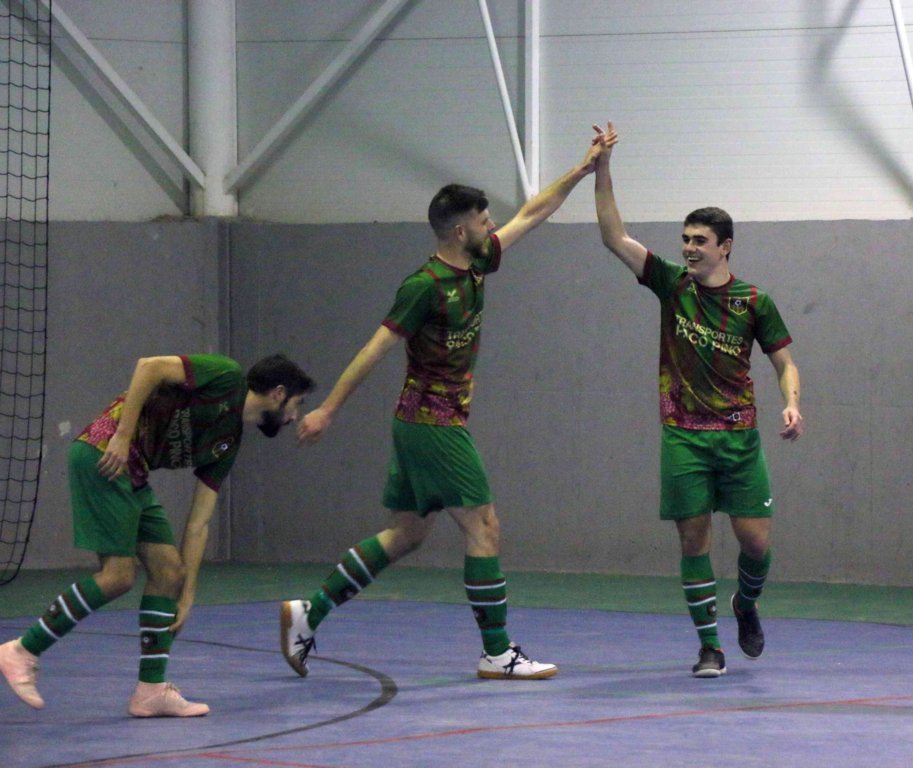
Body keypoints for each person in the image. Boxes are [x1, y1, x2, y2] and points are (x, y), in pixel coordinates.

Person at [281, 134, 610, 681]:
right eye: (483, 220)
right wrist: (328, 411)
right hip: (432, 424)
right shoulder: (425, 286)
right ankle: (497, 652)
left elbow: (532, 213)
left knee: (406, 534)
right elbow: (374, 349)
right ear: (460, 231)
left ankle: (307, 614)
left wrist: (581, 171)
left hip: (422, 424)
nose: (492, 226)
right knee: (485, 525)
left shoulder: (477, 264)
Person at [593, 123, 804, 677]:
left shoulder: (754, 301)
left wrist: (792, 402)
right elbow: (614, 236)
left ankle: (746, 604)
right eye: (685, 239)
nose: (688, 248)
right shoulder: (671, 284)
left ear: (724, 246)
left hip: (738, 438)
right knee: (693, 540)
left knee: (755, 544)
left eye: (699, 241)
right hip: (684, 436)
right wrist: (603, 168)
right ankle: (709, 646)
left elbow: (785, 361)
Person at [0, 353, 315, 717]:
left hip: (135, 472)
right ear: (278, 393)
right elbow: (148, 367)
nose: (294, 417)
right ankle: (22, 650)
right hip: (105, 454)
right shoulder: (226, 377)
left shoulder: (228, 442)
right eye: (297, 404)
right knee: (118, 577)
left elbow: (198, 524)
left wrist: (188, 595)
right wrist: (122, 435)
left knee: (170, 573)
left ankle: (150, 691)